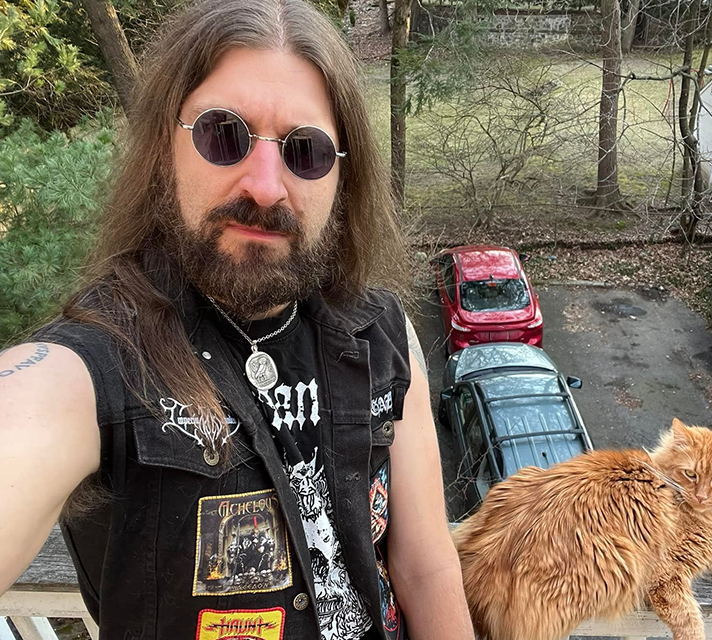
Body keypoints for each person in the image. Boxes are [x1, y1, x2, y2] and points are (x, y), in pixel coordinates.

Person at [0, 1, 474, 639]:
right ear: (163, 149)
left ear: (342, 178)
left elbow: (424, 566)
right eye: (223, 134)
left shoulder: (381, 329)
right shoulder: (100, 360)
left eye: (305, 151)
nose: (266, 186)